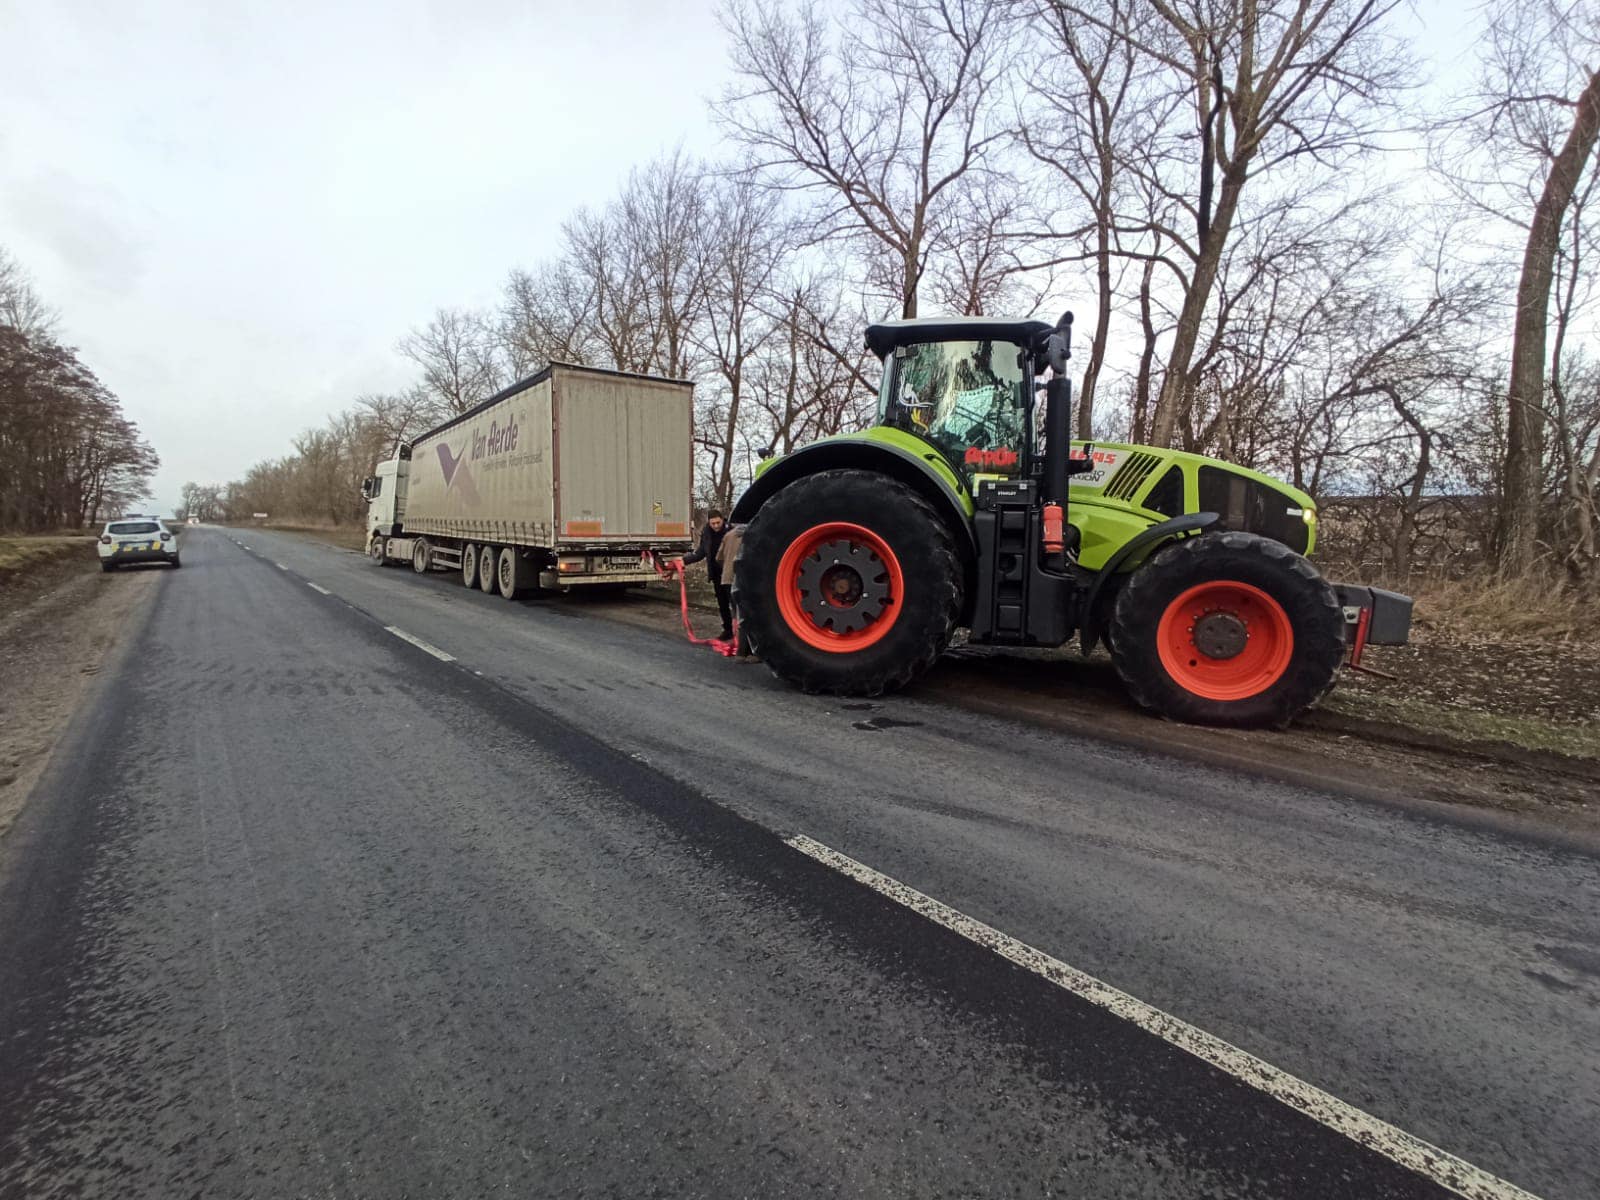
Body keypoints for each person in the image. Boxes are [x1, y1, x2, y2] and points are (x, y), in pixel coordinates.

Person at [680, 510, 733, 640]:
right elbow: (701, 552)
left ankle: (741, 634)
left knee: (735, 603)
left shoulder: (731, 531)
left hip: (730, 574)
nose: (716, 526)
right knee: (723, 604)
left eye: (718, 523)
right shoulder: (707, 533)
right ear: (709, 522)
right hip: (716, 574)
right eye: (713, 523)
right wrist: (684, 560)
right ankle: (728, 629)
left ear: (722, 520)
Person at [715, 522, 751, 655]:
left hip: (727, 579)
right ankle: (743, 651)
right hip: (743, 580)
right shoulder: (752, 535)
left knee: (735, 613)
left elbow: (718, 558)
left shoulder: (727, 536)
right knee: (745, 615)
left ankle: (737, 645)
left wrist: (727, 567)